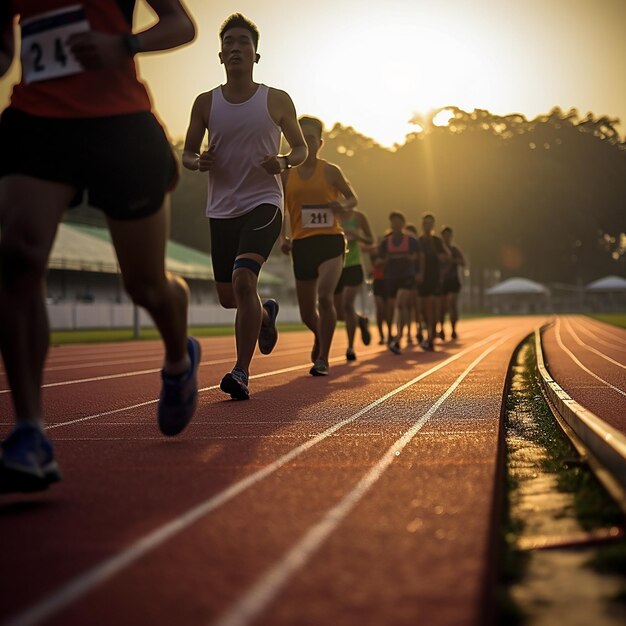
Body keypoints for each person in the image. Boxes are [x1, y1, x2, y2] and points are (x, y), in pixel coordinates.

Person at [0, 0, 199, 494]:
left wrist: (125, 44)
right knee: (16, 258)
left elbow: (181, 23)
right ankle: (30, 432)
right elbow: (5, 49)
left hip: (119, 127)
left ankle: (179, 356)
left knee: (145, 285)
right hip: (37, 122)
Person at [183, 14, 307, 399]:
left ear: (256, 54)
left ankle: (240, 372)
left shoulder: (276, 99)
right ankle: (266, 314)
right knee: (229, 297)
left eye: (244, 43)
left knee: (242, 281)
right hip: (222, 208)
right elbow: (186, 153)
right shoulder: (206, 103)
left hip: (264, 202)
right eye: (229, 43)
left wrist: (284, 162)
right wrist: (197, 161)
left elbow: (300, 148)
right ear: (221, 56)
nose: (236, 48)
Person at [281, 116, 357, 376]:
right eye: (301, 137)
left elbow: (352, 198)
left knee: (325, 297)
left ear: (320, 143)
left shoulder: (330, 171)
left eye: (311, 139)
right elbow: (281, 209)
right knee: (305, 313)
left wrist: (342, 206)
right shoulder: (286, 173)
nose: (306, 142)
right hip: (302, 244)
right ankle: (319, 336)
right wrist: (283, 237)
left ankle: (323, 358)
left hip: (330, 241)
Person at [378, 212, 422, 354]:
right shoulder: (386, 242)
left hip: (406, 277)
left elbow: (419, 257)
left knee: (401, 304)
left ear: (403, 224)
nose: (395, 225)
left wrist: (419, 271)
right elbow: (380, 261)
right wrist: (384, 261)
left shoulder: (412, 241)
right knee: (391, 308)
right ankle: (392, 334)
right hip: (391, 277)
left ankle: (399, 337)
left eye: (398, 222)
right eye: (393, 222)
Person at [334, 208, 374, 361]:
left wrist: (357, 236)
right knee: (338, 313)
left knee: (347, 305)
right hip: (335, 265)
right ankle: (360, 321)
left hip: (354, 266)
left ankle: (350, 347)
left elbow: (371, 240)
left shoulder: (358, 216)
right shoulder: (331, 214)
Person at [418, 213, 450, 351]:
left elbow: (448, 257)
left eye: (430, 223)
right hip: (421, 279)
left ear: (433, 225)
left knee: (431, 308)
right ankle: (429, 332)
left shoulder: (437, 241)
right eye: (425, 223)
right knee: (423, 310)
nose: (427, 226)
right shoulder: (419, 241)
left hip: (434, 278)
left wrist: (443, 270)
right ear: (422, 225)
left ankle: (430, 337)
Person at [438, 226, 465, 339]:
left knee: (452, 303)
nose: (447, 238)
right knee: (442, 307)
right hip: (441, 281)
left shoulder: (455, 249)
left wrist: (452, 261)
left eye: (449, 236)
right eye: (445, 236)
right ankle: (442, 329)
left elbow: (463, 263)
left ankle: (453, 329)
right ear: (442, 236)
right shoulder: (438, 250)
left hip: (453, 280)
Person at [368, 241, 388, 345]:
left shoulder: (389, 253)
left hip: (389, 282)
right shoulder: (375, 254)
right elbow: (375, 263)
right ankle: (381, 335)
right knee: (380, 309)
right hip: (378, 282)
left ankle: (389, 334)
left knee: (387, 311)